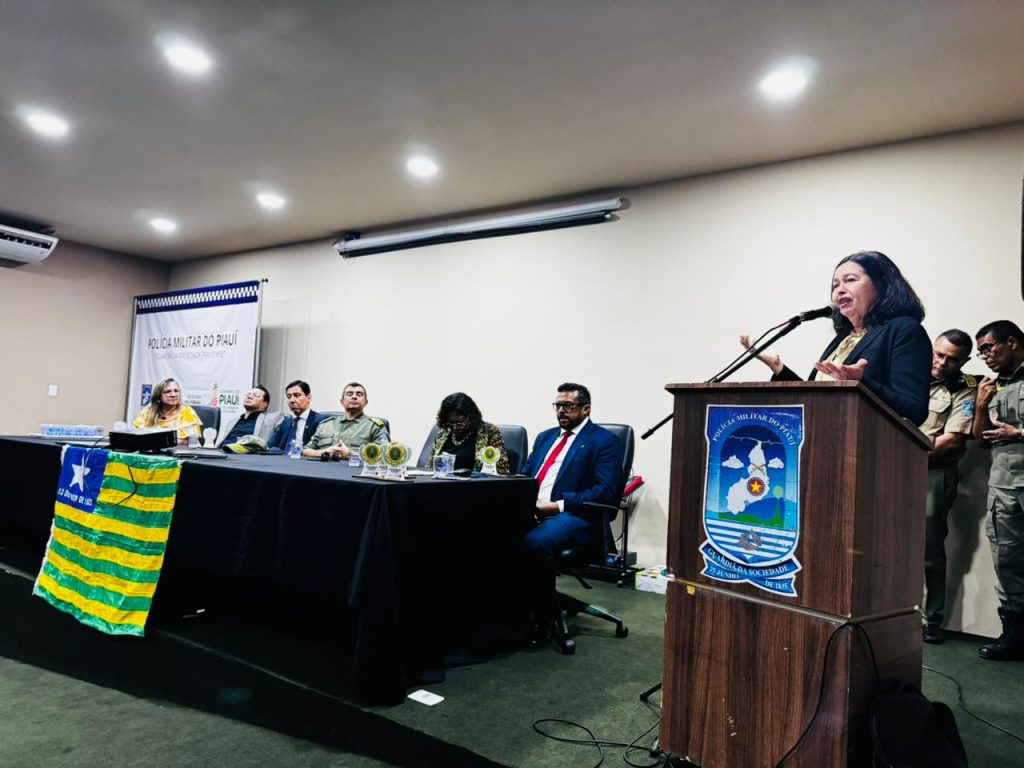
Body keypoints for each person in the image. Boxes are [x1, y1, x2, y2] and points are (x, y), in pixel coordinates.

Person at [740, 250, 931, 424]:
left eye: (850, 280)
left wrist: (861, 382)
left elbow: (914, 409)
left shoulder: (904, 329)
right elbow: (816, 399)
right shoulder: (844, 338)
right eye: (835, 285)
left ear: (880, 284)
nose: (839, 290)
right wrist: (777, 367)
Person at [520, 383, 624, 643]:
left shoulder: (604, 441)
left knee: (534, 541)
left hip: (577, 516)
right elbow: (525, 475)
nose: (561, 411)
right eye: (558, 405)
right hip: (533, 508)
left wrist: (557, 505)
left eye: (568, 406)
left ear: (585, 409)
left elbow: (604, 492)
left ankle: (541, 618)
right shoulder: (545, 437)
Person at [971, 320, 1024, 661]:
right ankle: (1014, 637)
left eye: (988, 348)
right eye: (981, 353)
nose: (985, 356)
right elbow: (980, 439)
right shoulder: (992, 386)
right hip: (1004, 487)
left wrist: (1019, 434)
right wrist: (980, 405)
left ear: (1012, 342)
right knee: (1007, 562)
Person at [920, 330, 977, 644]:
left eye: (952, 359)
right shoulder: (910, 375)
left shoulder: (964, 388)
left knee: (929, 551)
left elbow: (953, 440)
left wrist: (903, 452)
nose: (942, 363)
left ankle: (931, 619)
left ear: (963, 362)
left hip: (934, 473)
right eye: (938, 354)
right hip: (890, 471)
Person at [426, 392, 510, 474]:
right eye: (450, 423)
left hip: (475, 482)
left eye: (459, 422)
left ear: (471, 417)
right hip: (442, 481)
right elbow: (429, 468)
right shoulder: (442, 435)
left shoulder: (489, 432)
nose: (454, 427)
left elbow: (501, 470)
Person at [303, 382, 389, 459]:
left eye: (359, 394)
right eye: (349, 394)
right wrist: (325, 452)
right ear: (342, 402)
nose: (354, 397)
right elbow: (306, 450)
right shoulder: (326, 425)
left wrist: (350, 454)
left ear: (366, 403)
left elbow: (385, 454)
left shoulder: (374, 426)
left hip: (354, 470)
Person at [132, 377, 201, 446]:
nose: (173, 395)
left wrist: (156, 441)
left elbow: (188, 442)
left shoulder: (187, 412)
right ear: (158, 397)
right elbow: (137, 436)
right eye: (168, 392)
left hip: (180, 451)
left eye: (176, 391)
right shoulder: (147, 412)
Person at [267, 380, 330, 452]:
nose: (292, 400)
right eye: (289, 397)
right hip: (282, 457)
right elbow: (269, 446)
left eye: (297, 395)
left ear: (309, 398)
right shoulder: (286, 422)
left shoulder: (321, 421)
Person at [215, 385, 285, 450]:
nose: (249, 397)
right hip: (223, 452)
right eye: (248, 394)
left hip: (246, 455)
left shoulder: (273, 418)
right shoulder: (233, 421)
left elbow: (286, 423)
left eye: (256, 396)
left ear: (264, 404)